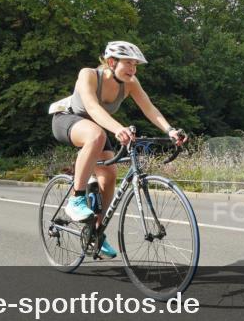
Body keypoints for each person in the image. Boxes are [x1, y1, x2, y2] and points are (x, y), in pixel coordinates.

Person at [49, 41, 187, 258]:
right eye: (128, 64)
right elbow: (92, 108)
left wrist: (170, 130)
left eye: (135, 65)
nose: (133, 69)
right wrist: (117, 128)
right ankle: (76, 199)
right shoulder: (88, 74)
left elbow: (149, 108)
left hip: (98, 127)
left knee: (109, 176)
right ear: (111, 62)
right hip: (68, 119)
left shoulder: (130, 82)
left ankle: (95, 233)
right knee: (97, 135)